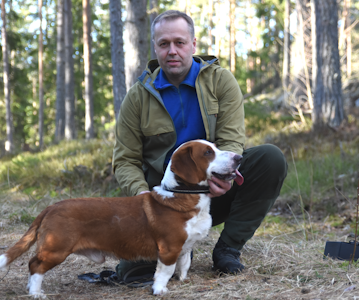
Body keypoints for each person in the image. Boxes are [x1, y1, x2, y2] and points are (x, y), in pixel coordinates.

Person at [112, 10, 287, 284]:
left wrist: (222, 177)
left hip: (214, 190)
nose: (172, 51)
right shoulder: (137, 97)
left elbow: (231, 140)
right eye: (164, 44)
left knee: (270, 158)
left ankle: (228, 250)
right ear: (155, 47)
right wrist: (143, 197)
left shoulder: (220, 81)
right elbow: (125, 160)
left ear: (193, 45)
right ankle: (174, 248)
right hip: (164, 202)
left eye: (180, 42)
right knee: (133, 274)